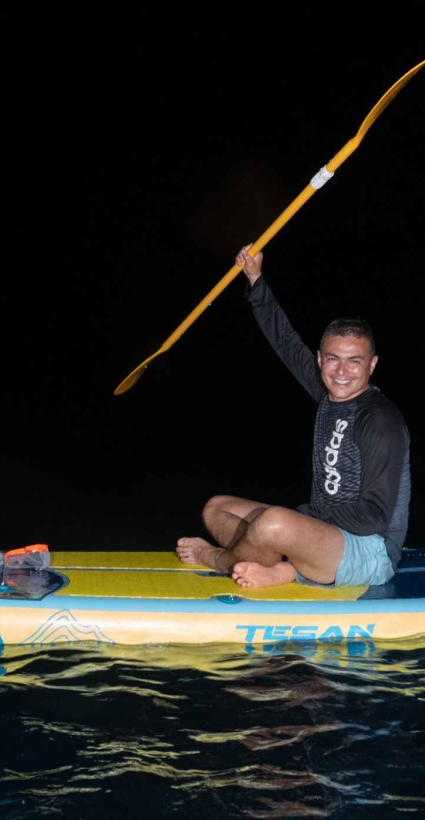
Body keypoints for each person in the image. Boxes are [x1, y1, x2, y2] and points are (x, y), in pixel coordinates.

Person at [175, 245, 412, 588]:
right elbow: (285, 342)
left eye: (355, 361)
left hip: (369, 552)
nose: (342, 371)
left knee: (273, 523)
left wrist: (304, 516)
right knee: (217, 508)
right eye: (333, 359)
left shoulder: (380, 420)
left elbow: (374, 518)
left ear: (372, 365)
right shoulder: (328, 394)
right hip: (322, 534)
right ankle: (277, 563)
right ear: (320, 360)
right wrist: (255, 278)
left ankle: (218, 558)